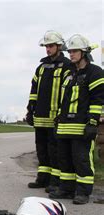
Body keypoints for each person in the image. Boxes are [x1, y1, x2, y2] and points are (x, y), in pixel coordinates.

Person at [50, 34, 103, 205]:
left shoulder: (95, 72)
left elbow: (97, 99)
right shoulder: (70, 74)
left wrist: (92, 123)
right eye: (70, 51)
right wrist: (59, 117)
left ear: (84, 52)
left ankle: (83, 192)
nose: (71, 54)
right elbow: (64, 99)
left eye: (74, 51)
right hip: (65, 126)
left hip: (82, 127)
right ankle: (67, 189)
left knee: (81, 160)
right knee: (64, 159)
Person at [26, 31, 72, 193]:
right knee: (42, 149)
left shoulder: (67, 65)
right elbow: (34, 90)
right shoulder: (41, 67)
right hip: (40, 117)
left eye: (51, 46)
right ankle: (43, 178)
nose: (48, 49)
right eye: (46, 46)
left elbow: (68, 93)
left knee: (55, 151)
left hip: (56, 118)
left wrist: (63, 113)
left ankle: (55, 181)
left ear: (59, 46)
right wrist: (30, 110)